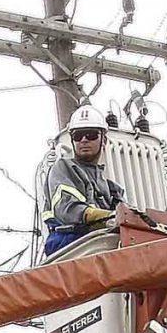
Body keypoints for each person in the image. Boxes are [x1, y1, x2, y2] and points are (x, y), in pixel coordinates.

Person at [38, 105, 126, 260]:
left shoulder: (111, 188)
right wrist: (110, 217)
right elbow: (68, 209)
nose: (84, 140)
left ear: (103, 139)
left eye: (91, 134)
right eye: (78, 136)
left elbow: (126, 219)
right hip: (70, 244)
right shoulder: (63, 168)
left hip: (99, 243)